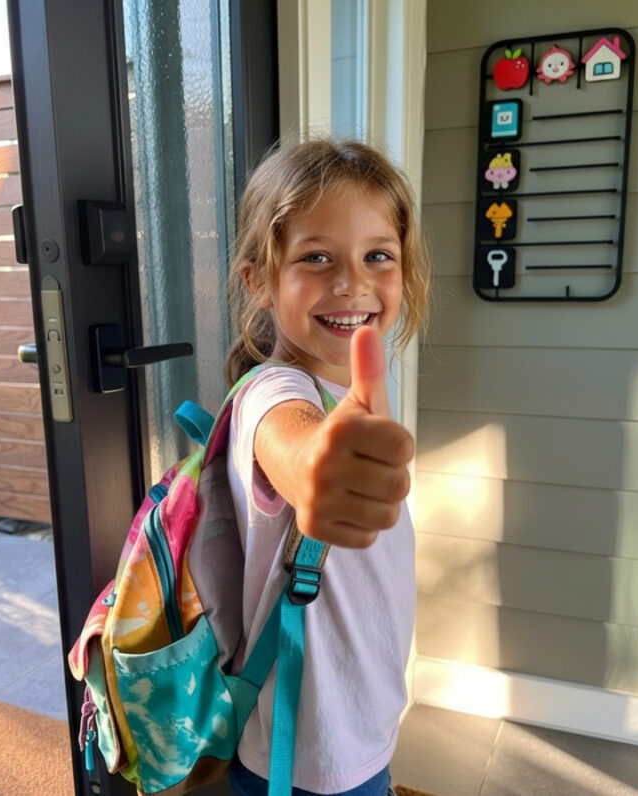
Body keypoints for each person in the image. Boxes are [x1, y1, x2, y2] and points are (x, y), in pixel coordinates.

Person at [223, 139, 431, 796]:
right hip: (309, 758)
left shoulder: (346, 394)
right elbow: (298, 449)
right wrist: (320, 469)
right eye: (316, 258)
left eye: (378, 256)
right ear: (259, 279)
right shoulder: (272, 394)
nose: (352, 283)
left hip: (356, 728)